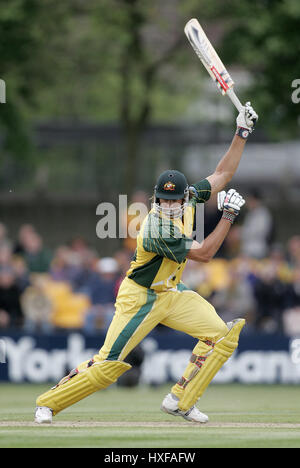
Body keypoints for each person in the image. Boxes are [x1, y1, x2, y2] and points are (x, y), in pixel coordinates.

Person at [34, 102, 258, 424]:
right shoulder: (155, 229)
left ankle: (180, 400)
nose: (168, 206)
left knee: (221, 335)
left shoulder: (191, 198)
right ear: (156, 200)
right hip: (140, 298)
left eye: (173, 200)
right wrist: (229, 215)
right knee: (109, 364)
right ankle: (48, 403)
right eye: (162, 201)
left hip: (171, 293)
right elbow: (205, 254)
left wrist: (241, 132)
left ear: (185, 198)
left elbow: (222, 173)